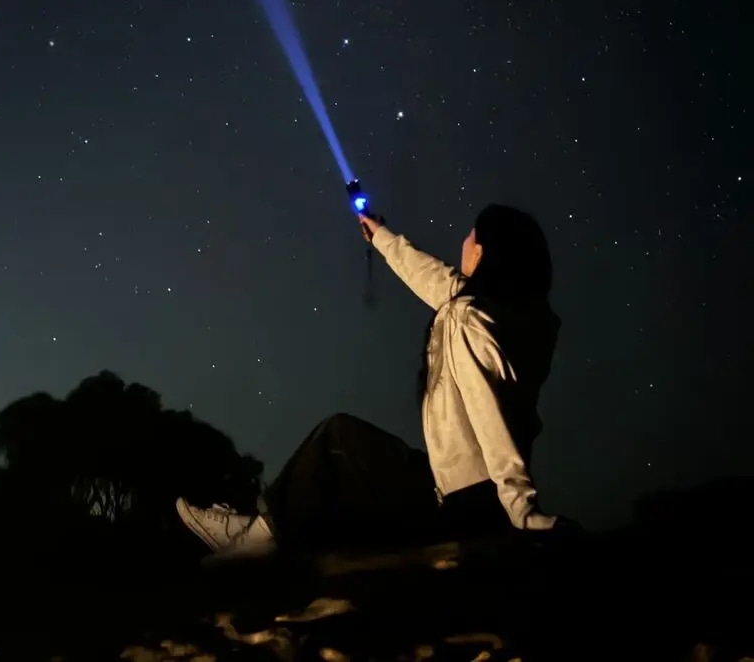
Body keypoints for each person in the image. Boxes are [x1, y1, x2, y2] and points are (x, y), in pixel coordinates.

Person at [176, 204, 562, 560]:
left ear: (481, 252)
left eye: (470, 236)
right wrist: (381, 236)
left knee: (337, 439)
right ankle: (259, 533)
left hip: (468, 504)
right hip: (464, 492)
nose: (462, 244)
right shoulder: (513, 319)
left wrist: (519, 506)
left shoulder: (467, 319)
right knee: (341, 448)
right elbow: (431, 277)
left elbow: (489, 412)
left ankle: (252, 544)